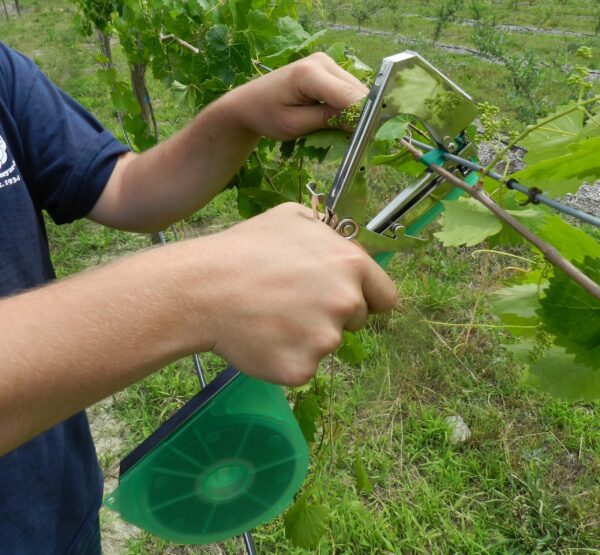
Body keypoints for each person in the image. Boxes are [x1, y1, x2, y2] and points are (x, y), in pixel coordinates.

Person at [0, 40, 396, 553]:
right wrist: (195, 294)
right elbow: (191, 292)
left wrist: (236, 117)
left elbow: (120, 187)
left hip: (56, 505)